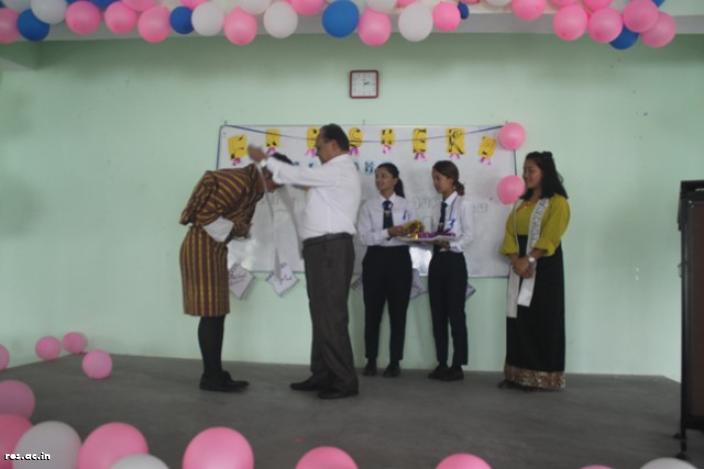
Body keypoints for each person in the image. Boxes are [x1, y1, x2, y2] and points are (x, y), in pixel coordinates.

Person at [248, 124, 361, 399]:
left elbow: (300, 174)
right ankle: (322, 374)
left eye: (319, 146)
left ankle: (344, 381)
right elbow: (300, 181)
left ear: (334, 145)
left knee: (330, 315)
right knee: (321, 314)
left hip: (330, 249)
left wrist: (265, 159)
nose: (316, 152)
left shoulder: (339, 169)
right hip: (321, 249)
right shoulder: (331, 173)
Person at [179, 154, 291, 393]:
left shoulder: (251, 188)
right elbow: (204, 215)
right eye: (277, 182)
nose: (275, 189)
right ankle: (211, 376)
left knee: (216, 313)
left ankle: (214, 372)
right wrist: (238, 228)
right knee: (211, 314)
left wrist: (239, 229)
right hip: (201, 246)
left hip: (213, 248)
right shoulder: (240, 182)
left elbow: (231, 223)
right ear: (268, 174)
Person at [499, 151, 570, 391]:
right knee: (519, 318)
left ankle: (541, 376)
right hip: (520, 266)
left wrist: (529, 259)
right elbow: (509, 233)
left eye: (531, 170)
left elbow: (551, 236)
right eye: (524, 170)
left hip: (544, 267)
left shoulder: (558, 202)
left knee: (542, 318)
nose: (526, 175)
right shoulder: (521, 203)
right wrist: (516, 260)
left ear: (544, 173)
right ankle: (517, 374)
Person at [357, 163, 414, 378]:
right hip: (375, 259)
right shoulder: (368, 206)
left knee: (398, 313)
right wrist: (388, 232)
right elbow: (364, 237)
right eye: (377, 176)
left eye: (384, 176)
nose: (379, 180)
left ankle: (395, 361)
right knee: (372, 312)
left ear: (395, 180)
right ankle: (371, 360)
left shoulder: (407, 205)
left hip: (400, 259)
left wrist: (406, 234)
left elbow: (415, 234)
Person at [426, 161, 474, 382]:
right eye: (434, 178)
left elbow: (470, 235)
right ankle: (442, 363)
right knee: (437, 314)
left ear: (451, 179)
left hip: (454, 261)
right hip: (437, 261)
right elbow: (434, 234)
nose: (435, 183)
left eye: (439, 178)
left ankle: (457, 365)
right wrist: (424, 237)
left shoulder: (463, 203)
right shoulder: (437, 206)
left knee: (455, 314)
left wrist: (451, 244)